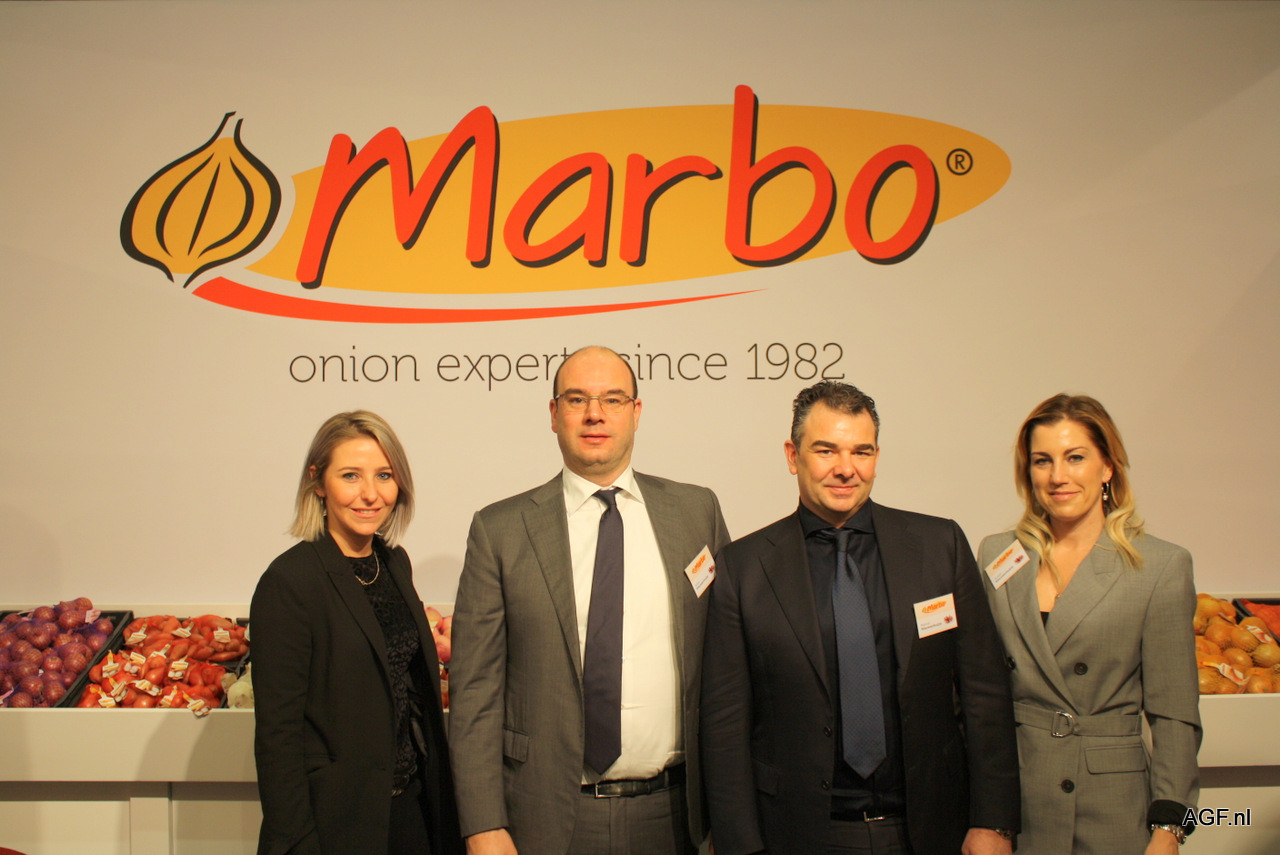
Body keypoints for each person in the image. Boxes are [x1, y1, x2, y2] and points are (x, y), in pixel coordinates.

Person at [701, 380, 1020, 855]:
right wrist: (740, 844)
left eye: (861, 452)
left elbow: (985, 693)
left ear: (876, 456)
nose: (845, 468)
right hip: (798, 835)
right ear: (792, 456)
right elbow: (725, 722)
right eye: (826, 450)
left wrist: (994, 822)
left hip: (930, 829)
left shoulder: (940, 546)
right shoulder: (743, 568)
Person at [448, 345, 731, 855]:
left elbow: (729, 668)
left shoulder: (696, 513)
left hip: (676, 818)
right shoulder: (500, 530)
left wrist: (731, 818)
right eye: (577, 399)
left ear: (636, 412)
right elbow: (474, 693)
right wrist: (482, 824)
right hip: (545, 819)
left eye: (613, 399)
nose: (594, 414)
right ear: (553, 414)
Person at [976, 394, 1200, 854]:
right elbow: (978, 695)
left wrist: (1170, 828)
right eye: (1042, 460)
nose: (1058, 476)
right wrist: (982, 815)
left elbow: (1175, 714)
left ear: (1108, 467)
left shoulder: (1159, 565)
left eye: (1075, 457)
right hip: (1017, 799)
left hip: (1113, 804)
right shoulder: (998, 554)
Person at [251, 410, 462, 855]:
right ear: (318, 482)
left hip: (412, 810)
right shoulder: (290, 581)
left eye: (384, 475)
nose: (370, 494)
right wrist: (298, 841)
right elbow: (278, 737)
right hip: (336, 824)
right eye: (351, 476)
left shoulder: (394, 563)